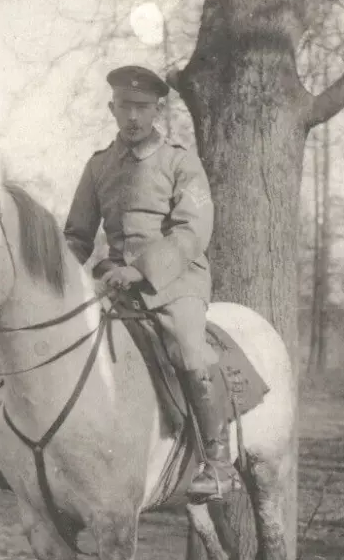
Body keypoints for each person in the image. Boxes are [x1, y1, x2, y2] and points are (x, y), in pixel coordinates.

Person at [63, 65, 240, 500]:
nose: (133, 117)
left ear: (159, 109)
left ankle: (218, 462)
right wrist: (54, 277)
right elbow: (77, 236)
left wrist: (141, 270)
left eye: (142, 107)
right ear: (112, 108)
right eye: (125, 106)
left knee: (186, 342)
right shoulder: (98, 166)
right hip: (114, 284)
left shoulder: (182, 163)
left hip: (174, 282)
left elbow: (191, 230)